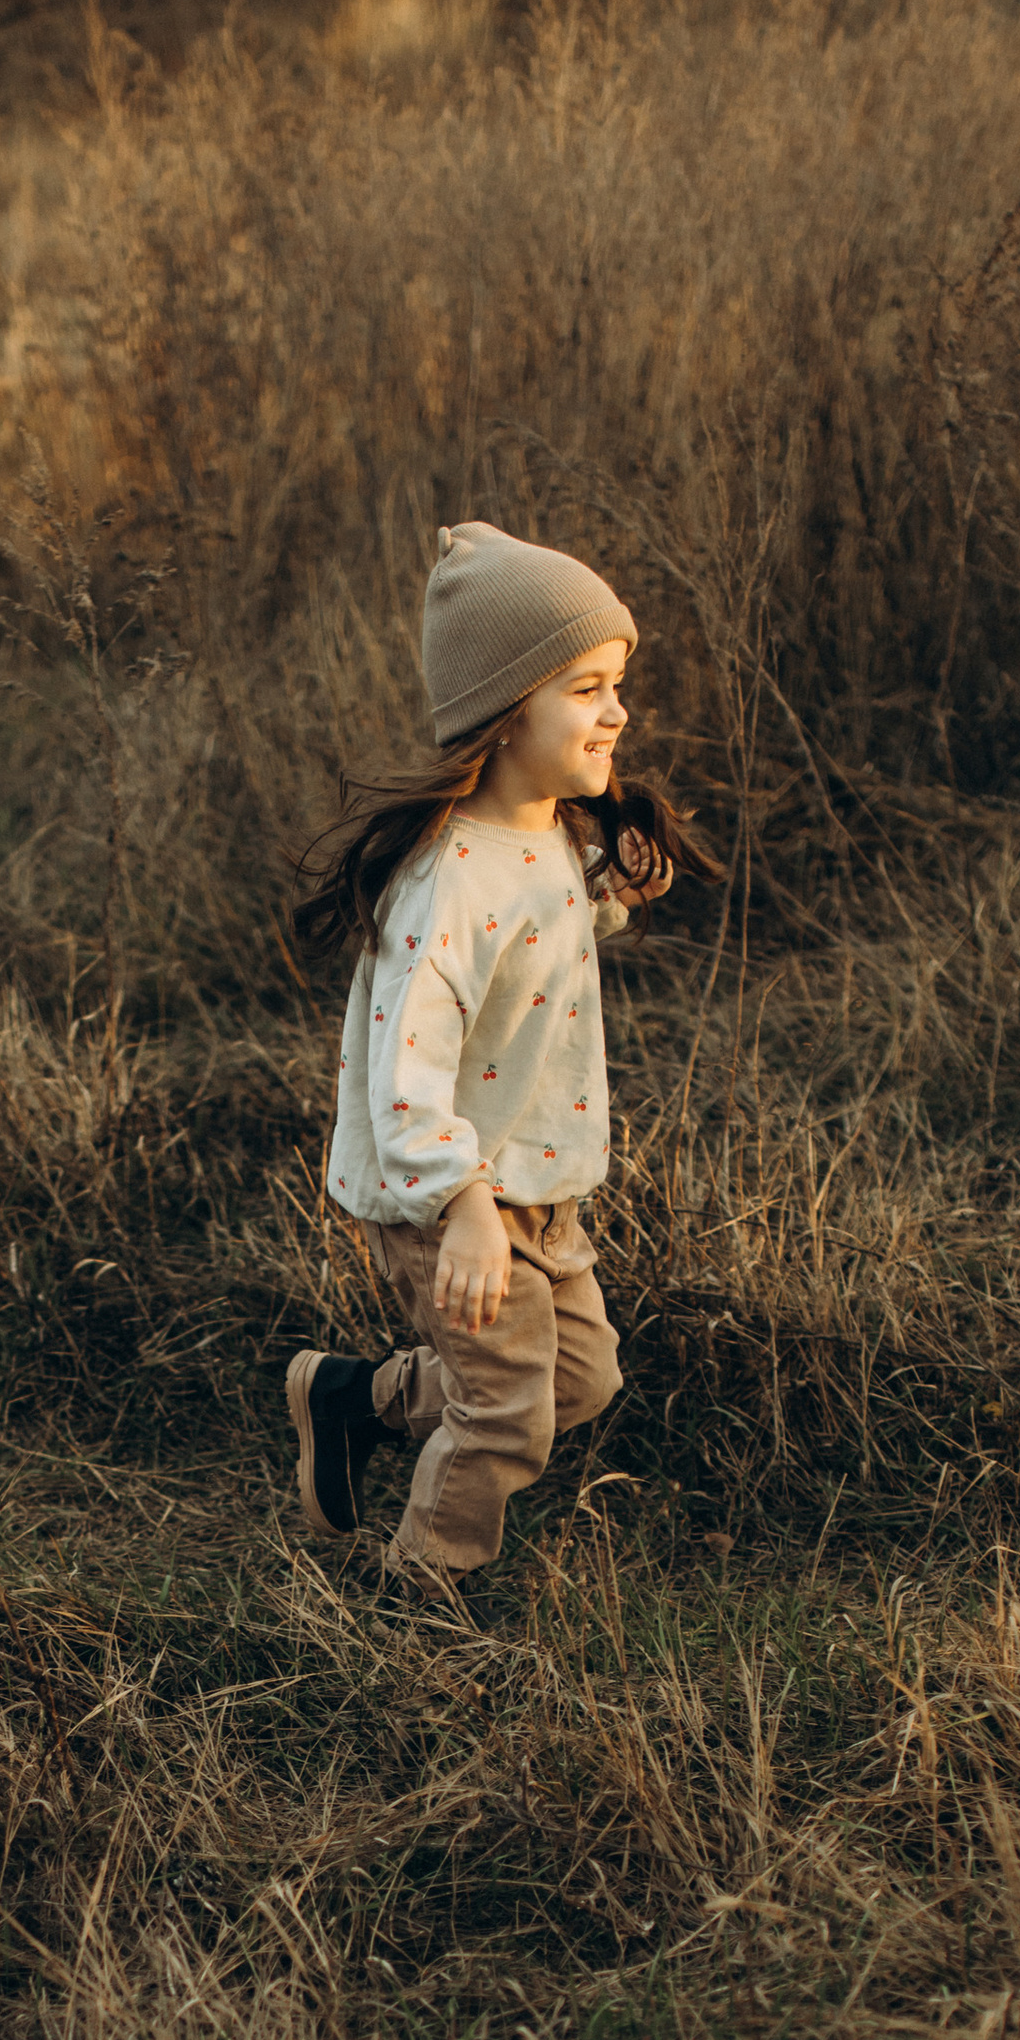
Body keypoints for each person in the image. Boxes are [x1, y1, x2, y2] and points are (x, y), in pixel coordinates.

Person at [286, 520, 713, 1593]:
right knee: (511, 1417)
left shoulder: (547, 840)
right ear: (505, 709)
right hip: (450, 1197)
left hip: (533, 1188)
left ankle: (355, 1401)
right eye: (585, 687)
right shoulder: (445, 883)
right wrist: (464, 1205)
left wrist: (611, 899)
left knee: (583, 1377)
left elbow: (536, 957)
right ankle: (421, 1589)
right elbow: (405, 1074)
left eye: (616, 683)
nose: (615, 710)